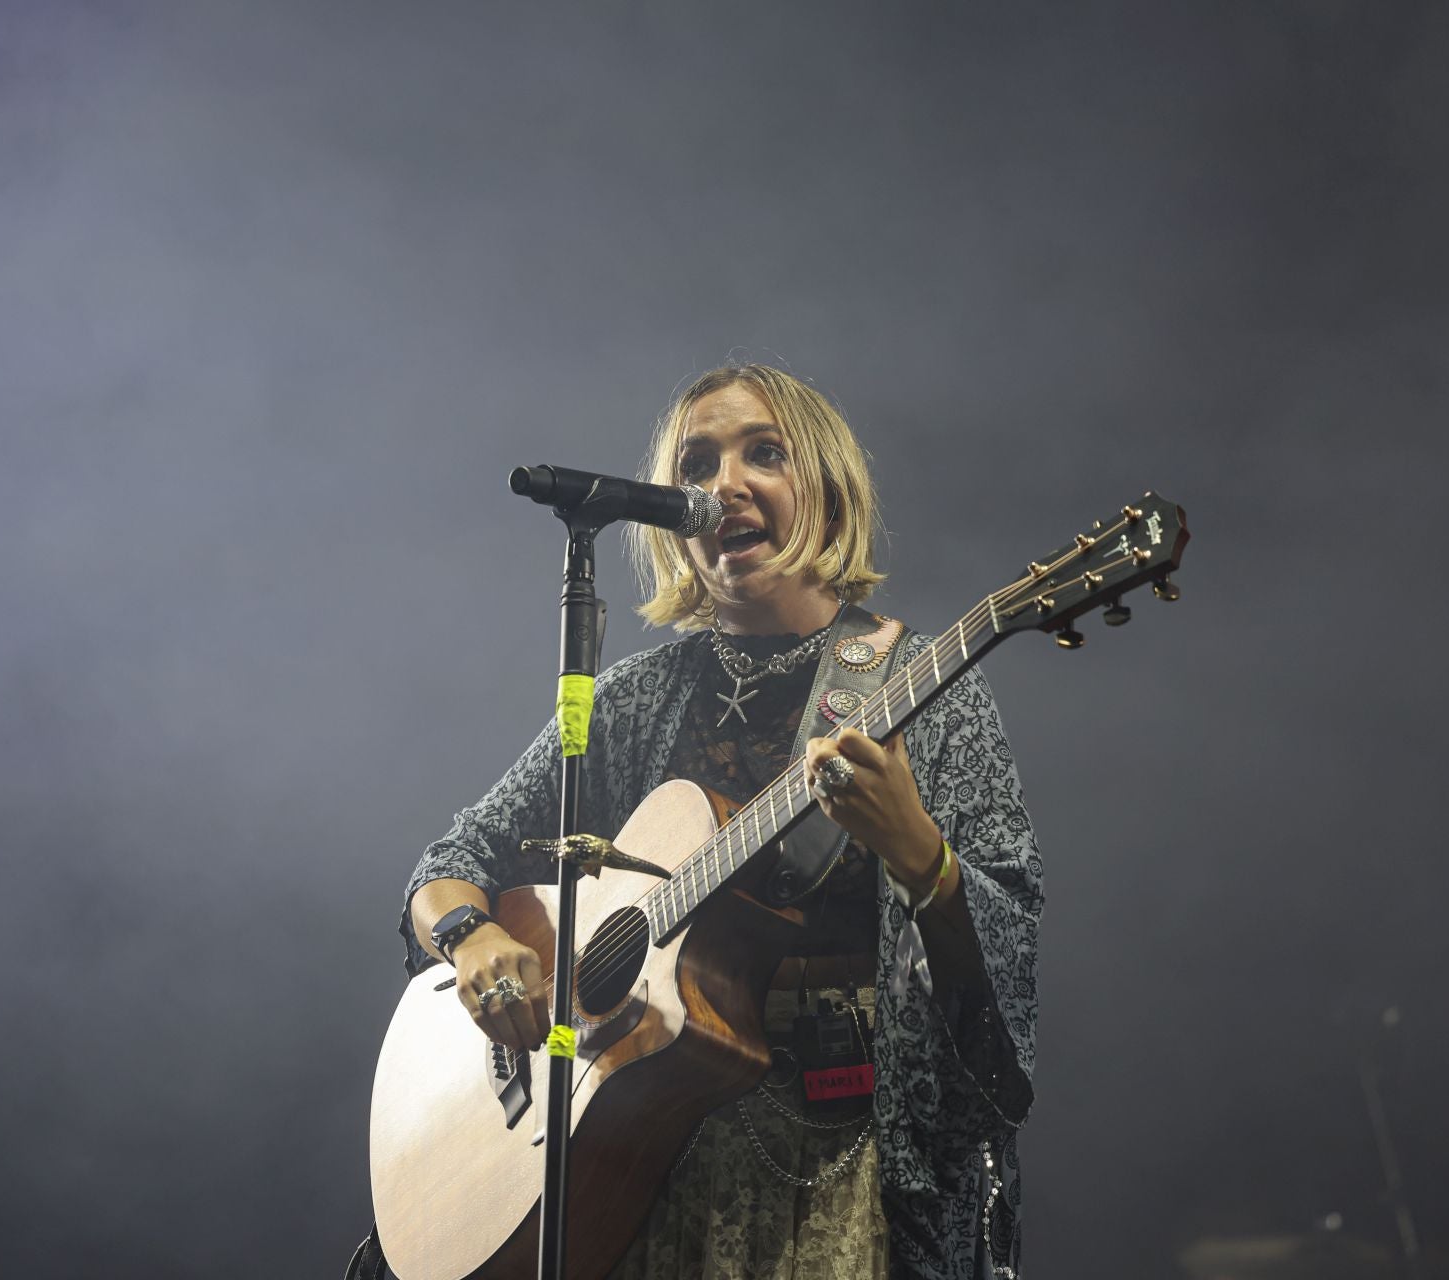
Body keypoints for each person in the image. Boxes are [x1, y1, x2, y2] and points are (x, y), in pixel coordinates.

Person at [398, 364, 1042, 1280]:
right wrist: (469, 935)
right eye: (695, 466)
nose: (723, 487)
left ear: (825, 486)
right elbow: (452, 858)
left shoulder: (920, 688)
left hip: (847, 1168)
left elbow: (1009, 942)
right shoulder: (631, 700)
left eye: (764, 454)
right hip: (634, 1168)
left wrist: (916, 851)